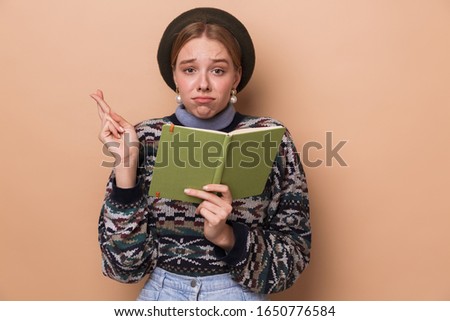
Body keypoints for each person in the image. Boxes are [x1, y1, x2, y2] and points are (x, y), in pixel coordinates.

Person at [91, 7, 311, 301]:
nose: (203, 84)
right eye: (190, 69)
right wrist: (126, 172)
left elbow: (295, 254)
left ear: (236, 77)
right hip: (163, 295)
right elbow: (123, 269)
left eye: (218, 70)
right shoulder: (143, 137)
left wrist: (228, 237)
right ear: (175, 77)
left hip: (238, 296)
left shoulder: (272, 138)